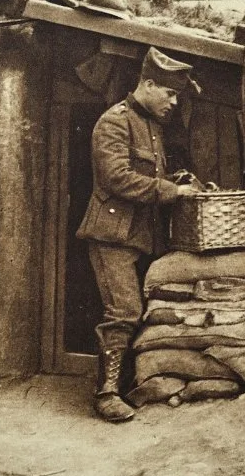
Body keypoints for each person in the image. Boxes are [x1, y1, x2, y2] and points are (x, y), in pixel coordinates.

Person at [76, 47, 201, 423]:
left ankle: (129, 382)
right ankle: (106, 393)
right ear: (148, 83)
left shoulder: (151, 126)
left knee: (139, 310)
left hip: (141, 235)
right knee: (123, 311)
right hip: (112, 234)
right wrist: (171, 192)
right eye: (170, 93)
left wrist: (171, 180)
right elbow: (115, 178)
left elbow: (146, 175)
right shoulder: (114, 122)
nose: (174, 102)